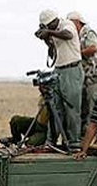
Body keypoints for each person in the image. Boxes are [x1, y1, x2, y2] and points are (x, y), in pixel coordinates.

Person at [35, 9, 84, 151]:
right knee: (55, 108)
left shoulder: (66, 24)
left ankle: (74, 142)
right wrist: (46, 39)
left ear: (54, 21)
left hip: (72, 69)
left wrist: (49, 33)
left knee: (72, 108)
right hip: (58, 70)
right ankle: (52, 141)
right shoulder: (53, 31)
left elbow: (68, 35)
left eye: (49, 25)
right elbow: (53, 52)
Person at [67, 11, 97, 151]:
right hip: (87, 78)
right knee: (86, 108)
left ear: (78, 22)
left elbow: (93, 49)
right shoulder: (77, 36)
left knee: (95, 104)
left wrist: (76, 54)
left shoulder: (88, 33)